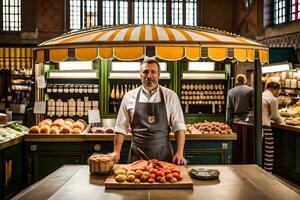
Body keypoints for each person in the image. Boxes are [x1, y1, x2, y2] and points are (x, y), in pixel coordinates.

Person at [111, 59, 187, 165]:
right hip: (137, 154)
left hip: (163, 153)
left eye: (153, 72)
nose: (149, 76)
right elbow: (120, 127)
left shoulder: (170, 96)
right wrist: (116, 152)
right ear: (140, 75)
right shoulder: (129, 96)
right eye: (145, 72)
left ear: (159, 75)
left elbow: (179, 126)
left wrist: (179, 152)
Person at [262, 81, 283, 172]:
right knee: (268, 152)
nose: (279, 93)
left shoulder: (261, 95)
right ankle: (267, 173)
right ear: (275, 89)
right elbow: (276, 117)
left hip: (255, 125)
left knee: (260, 152)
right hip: (265, 127)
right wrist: (282, 120)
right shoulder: (273, 99)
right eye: (279, 90)